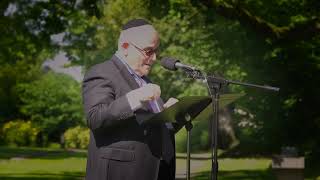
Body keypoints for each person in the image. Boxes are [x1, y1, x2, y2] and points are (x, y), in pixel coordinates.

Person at [82, 19, 180, 180]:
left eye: (156, 50)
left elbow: (153, 131)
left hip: (158, 171)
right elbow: (95, 117)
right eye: (148, 51)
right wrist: (136, 97)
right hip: (121, 173)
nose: (154, 58)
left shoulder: (145, 81)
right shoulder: (101, 72)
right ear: (125, 47)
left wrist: (171, 115)